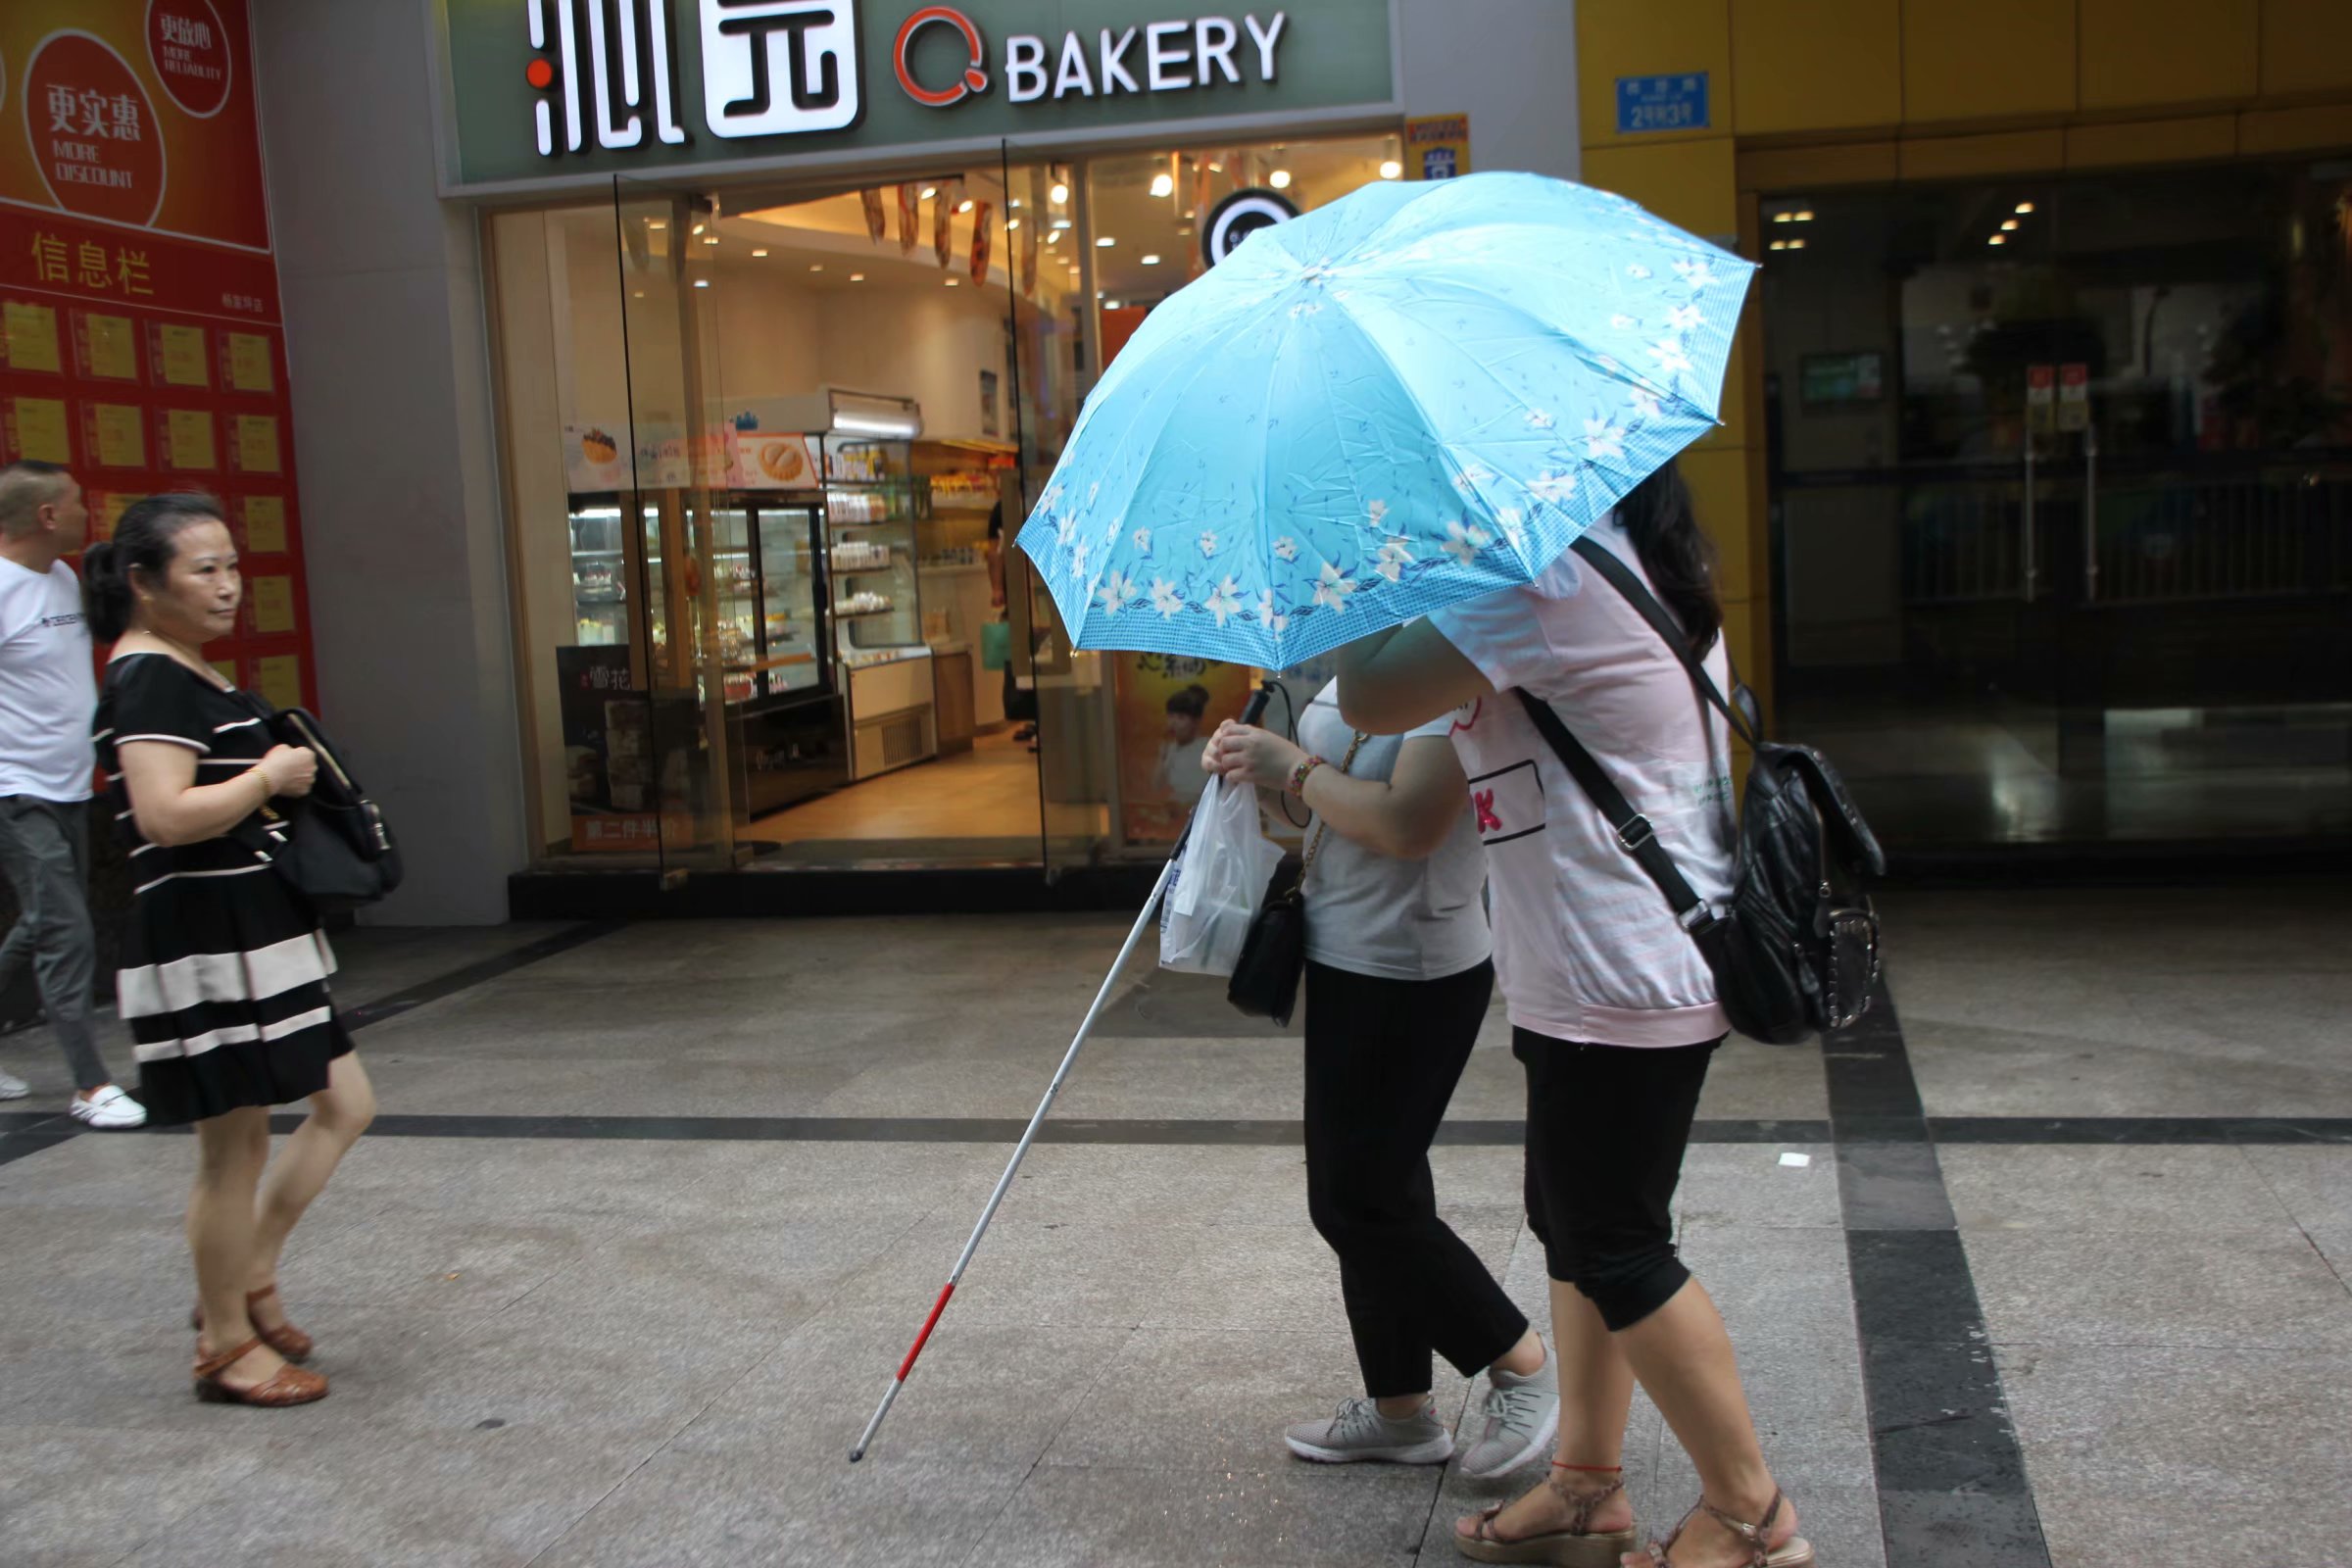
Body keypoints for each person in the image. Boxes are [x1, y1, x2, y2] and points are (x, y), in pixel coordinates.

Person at [1337, 463, 1814, 1568]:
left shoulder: (1540, 574)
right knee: (1572, 1221)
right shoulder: (1617, 553)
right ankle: (1589, 1486)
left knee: (1615, 1239)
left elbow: (1367, 695)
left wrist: (1370, 559)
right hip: (1596, 962)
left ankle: (1752, 1518)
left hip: (1622, 969)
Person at [1202, 680, 1560, 1478]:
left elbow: (1409, 824)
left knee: (1353, 1202)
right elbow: (1338, 805)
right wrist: (1256, 767)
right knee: (1380, 1188)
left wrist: (1291, 768)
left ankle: (1520, 1361)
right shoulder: (1366, 656)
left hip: (1412, 963)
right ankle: (1398, 1408)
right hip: (1347, 948)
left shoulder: (1444, 668)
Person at [86, 493, 374, 1408]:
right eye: (203, 570)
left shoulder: (181, 669)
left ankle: (247, 1276)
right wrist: (268, 777)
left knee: (345, 1103)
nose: (228, 587)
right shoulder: (149, 679)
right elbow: (164, 817)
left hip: (255, 927)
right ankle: (224, 1342)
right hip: (206, 937)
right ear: (143, 582)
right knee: (233, 1147)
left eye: (232, 567)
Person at [0, 462, 143, 1127]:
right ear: (47, 516)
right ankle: (90, 1086)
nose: (89, 512)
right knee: (67, 932)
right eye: (77, 503)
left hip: (68, 789)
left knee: (40, 923)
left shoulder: (61, 576)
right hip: (14, 794)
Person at [1152, 683, 1211, 799]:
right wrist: (1161, 758)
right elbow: (1157, 786)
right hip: (1175, 809)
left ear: (1196, 721)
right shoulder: (1170, 749)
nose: (1173, 723)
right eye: (1171, 716)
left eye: (1181, 717)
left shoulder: (1208, 747)